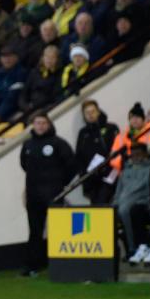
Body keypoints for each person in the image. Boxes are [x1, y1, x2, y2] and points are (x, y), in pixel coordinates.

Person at [19, 113, 75, 276]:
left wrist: (61, 183)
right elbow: (24, 165)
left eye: (44, 123)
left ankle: (61, 264)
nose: (41, 126)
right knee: (35, 231)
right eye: (37, 123)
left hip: (54, 194)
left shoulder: (59, 143)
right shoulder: (27, 145)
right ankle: (32, 266)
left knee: (59, 229)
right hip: (34, 194)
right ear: (33, 125)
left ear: (49, 124)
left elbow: (72, 164)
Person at [113, 143, 150, 264]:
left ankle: (133, 249)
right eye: (133, 154)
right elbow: (118, 191)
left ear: (145, 155)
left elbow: (149, 191)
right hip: (123, 202)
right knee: (113, 211)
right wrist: (116, 202)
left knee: (127, 210)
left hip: (141, 202)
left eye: (139, 154)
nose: (136, 157)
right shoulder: (125, 172)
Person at [74, 100, 119, 204]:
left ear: (98, 112)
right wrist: (84, 175)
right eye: (87, 113)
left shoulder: (111, 128)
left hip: (111, 175)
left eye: (93, 111)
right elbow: (79, 157)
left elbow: (117, 150)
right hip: (92, 180)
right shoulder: (83, 134)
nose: (90, 115)